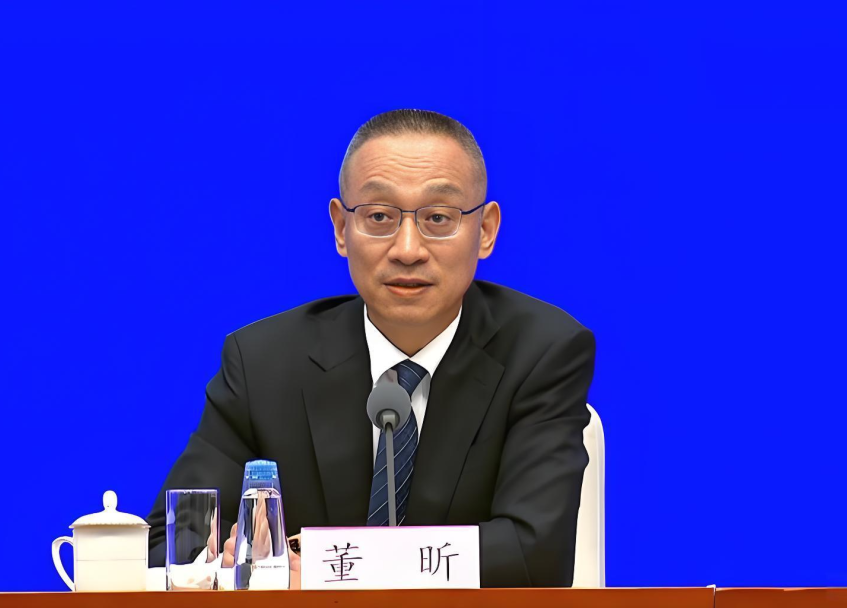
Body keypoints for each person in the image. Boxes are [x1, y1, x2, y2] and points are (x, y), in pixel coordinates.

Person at [146, 109, 596, 588]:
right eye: (379, 217)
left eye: (438, 218)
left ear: (485, 230)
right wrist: (226, 566)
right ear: (341, 228)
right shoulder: (263, 363)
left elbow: (535, 554)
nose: (408, 249)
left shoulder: (541, 352)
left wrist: (328, 571)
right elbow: (169, 544)